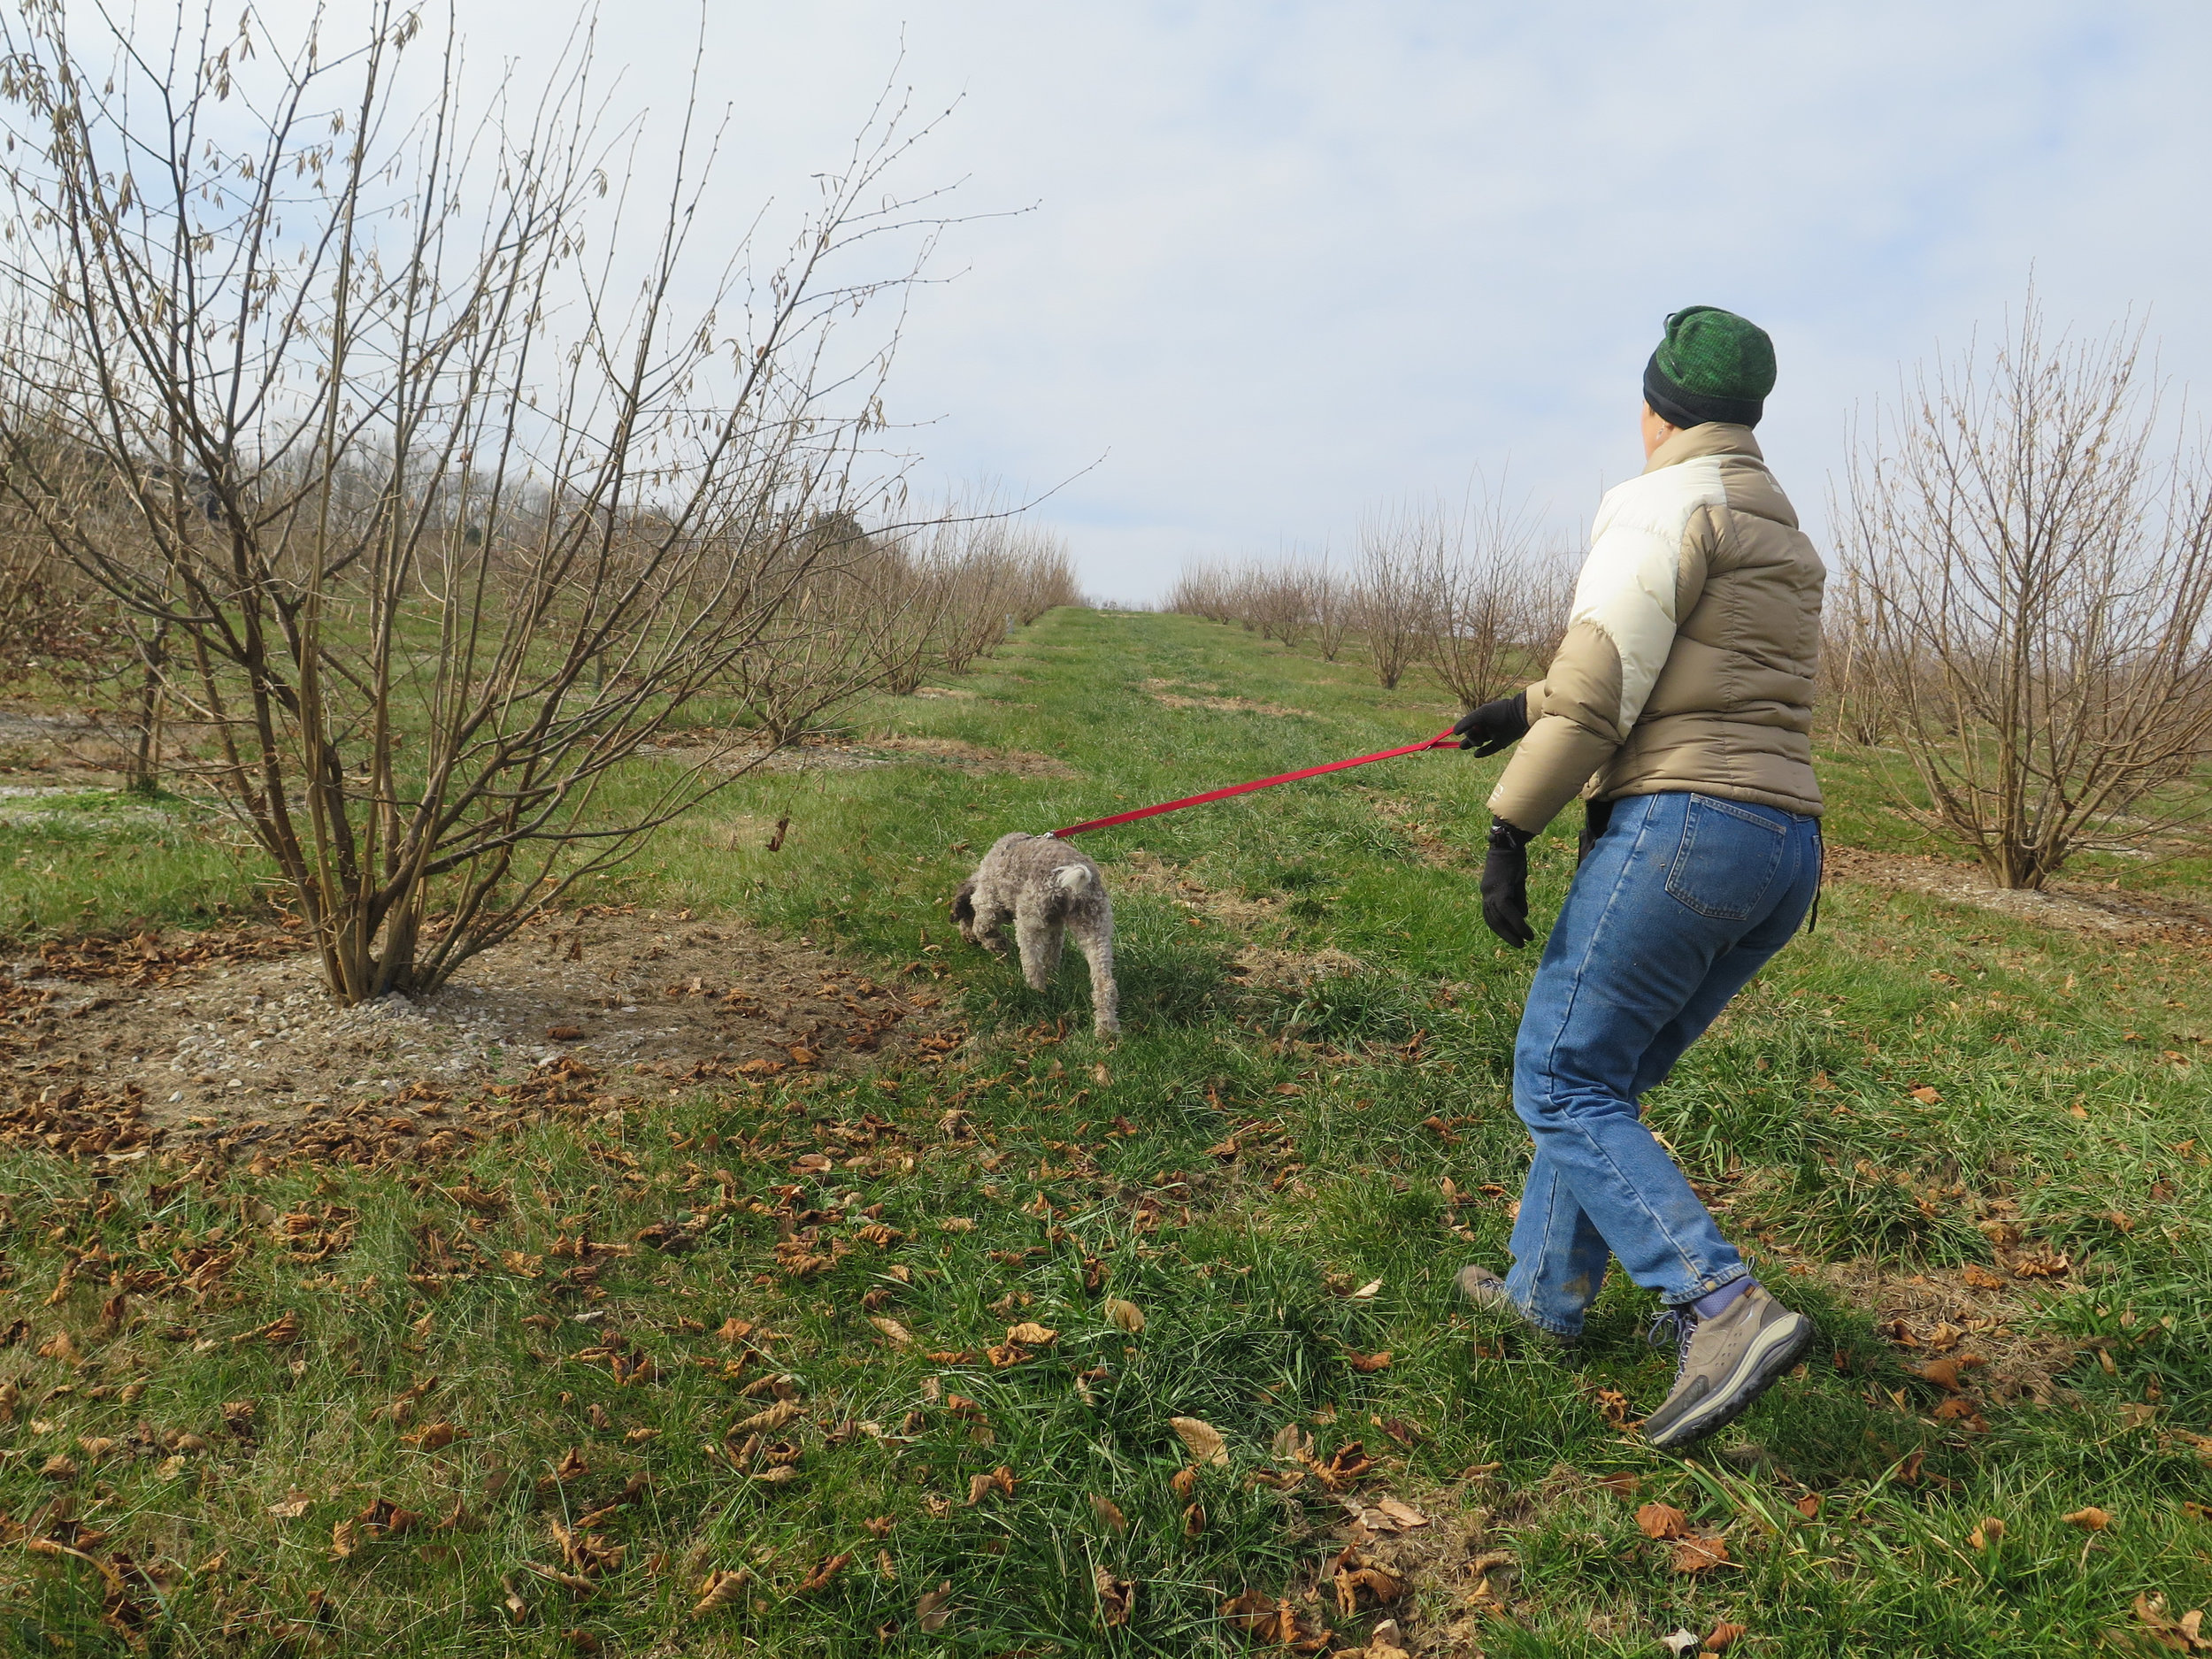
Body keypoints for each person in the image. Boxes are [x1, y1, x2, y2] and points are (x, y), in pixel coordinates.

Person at [1449, 305, 1824, 1450]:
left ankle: (1720, 1305)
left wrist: (1511, 823)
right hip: (1783, 847)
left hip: (1685, 829)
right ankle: (1544, 1299)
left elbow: (1607, 690)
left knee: (1559, 1077)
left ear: (1657, 405)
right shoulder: (1779, 525)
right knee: (1600, 1074)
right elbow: (1699, 671)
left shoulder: (1658, 497)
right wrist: (1531, 698)